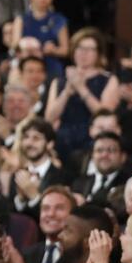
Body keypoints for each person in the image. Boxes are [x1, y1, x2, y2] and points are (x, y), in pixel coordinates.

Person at [45, 27, 119, 163]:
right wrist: (66, 92)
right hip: (63, 141)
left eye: (90, 49)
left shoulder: (108, 79)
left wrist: (81, 88)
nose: (84, 53)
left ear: (98, 53)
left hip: (92, 141)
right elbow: (49, 118)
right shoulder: (59, 81)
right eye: (80, 48)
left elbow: (105, 115)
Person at [8, 118, 69, 218]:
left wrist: (34, 196)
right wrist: (21, 199)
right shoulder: (17, 175)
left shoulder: (62, 177)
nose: (29, 143)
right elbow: (12, 216)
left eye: (36, 138)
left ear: (50, 144)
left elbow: (57, 217)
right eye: (26, 137)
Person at [8, 0, 68, 81]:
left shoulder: (58, 20)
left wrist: (53, 50)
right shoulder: (21, 19)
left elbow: (65, 50)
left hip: (50, 66)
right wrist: (25, 47)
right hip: (26, 66)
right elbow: (15, 45)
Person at [71, 130, 132, 205]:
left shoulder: (130, 184)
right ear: (92, 156)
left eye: (111, 150)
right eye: (99, 150)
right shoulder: (79, 182)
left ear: (123, 157)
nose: (104, 155)